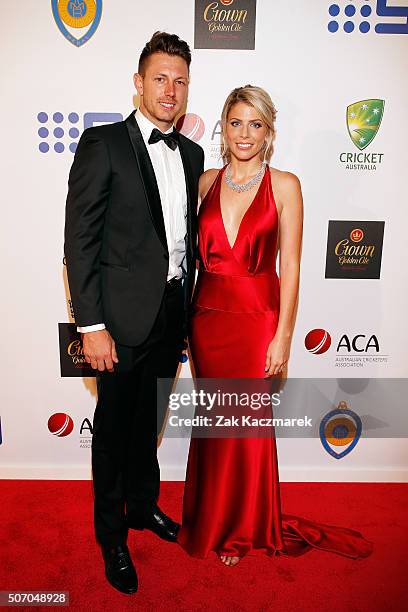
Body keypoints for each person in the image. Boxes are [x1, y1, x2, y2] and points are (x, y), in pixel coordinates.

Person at [177, 85, 373, 566]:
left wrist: (284, 334)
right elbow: (192, 263)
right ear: (224, 127)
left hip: (257, 320)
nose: (245, 134)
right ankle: (210, 519)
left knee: (246, 426)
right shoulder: (204, 182)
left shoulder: (285, 185)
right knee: (215, 423)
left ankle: (242, 530)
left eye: (255, 124)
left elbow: (293, 267)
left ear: (269, 132)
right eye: (236, 122)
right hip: (207, 320)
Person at [64, 32, 204, 594]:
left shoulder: (192, 154)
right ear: (139, 82)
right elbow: (80, 241)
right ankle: (111, 535)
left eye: (180, 81)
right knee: (114, 432)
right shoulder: (103, 144)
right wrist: (90, 327)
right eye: (160, 79)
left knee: (149, 421)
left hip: (171, 313)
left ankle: (143, 507)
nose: (170, 91)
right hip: (117, 322)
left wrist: (190, 315)